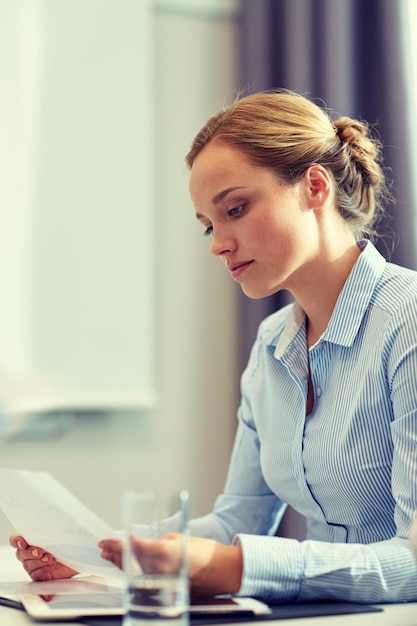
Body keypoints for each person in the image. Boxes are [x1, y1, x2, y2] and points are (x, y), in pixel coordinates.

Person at [10, 89, 417, 603]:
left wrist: (236, 568)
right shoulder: (272, 344)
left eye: (236, 209)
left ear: (315, 186)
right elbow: (238, 518)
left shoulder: (408, 321)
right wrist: (101, 550)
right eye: (208, 224)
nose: (217, 243)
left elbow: (413, 561)